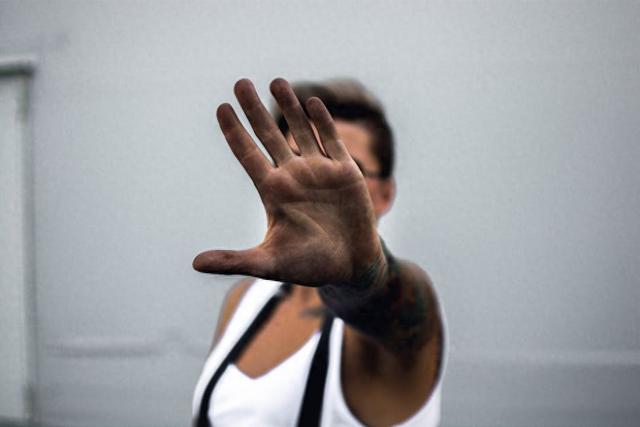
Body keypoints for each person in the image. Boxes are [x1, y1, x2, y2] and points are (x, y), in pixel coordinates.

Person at [191, 78, 446, 427]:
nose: (318, 183)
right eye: (299, 162)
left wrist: (366, 275)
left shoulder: (380, 335)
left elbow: (394, 309)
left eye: (349, 168)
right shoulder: (246, 300)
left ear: (386, 194)